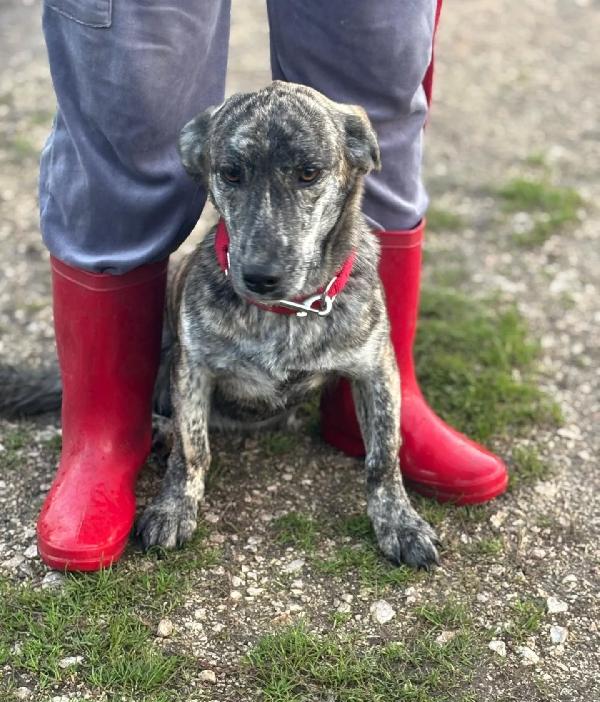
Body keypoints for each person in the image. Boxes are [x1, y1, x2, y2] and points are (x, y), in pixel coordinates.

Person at [38, 0, 507, 572]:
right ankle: (106, 432)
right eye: (230, 176)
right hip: (205, 340)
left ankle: (377, 411)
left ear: (355, 160)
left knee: (378, 58)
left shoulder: (354, 158)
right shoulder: (213, 274)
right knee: (128, 92)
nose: (263, 248)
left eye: (308, 174)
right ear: (203, 165)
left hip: (340, 290)